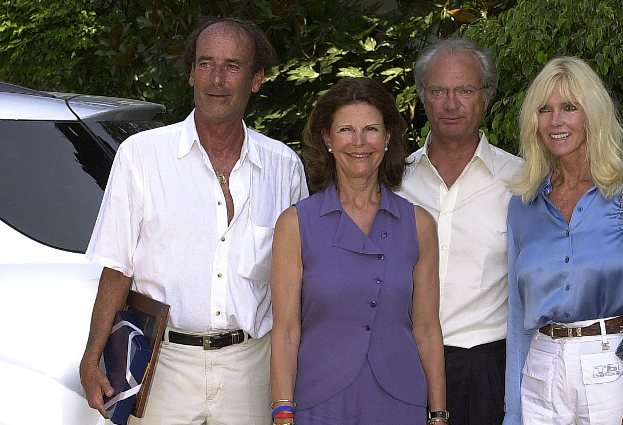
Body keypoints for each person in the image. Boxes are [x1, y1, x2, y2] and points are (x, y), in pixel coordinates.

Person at [79, 17, 308, 425]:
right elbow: (116, 268)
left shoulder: (283, 166)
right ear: (190, 74)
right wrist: (92, 356)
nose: (217, 78)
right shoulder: (141, 156)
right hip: (161, 366)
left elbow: (295, 285)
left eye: (233, 65)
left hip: (251, 367)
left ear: (256, 79)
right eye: (206, 63)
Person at [503, 56, 623, 425]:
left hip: (613, 370)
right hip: (540, 373)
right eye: (544, 110)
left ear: (592, 114)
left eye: (569, 108)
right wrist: (512, 411)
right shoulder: (523, 204)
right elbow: (518, 316)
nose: (555, 121)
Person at [270, 77, 447, 425]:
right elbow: (286, 330)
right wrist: (282, 410)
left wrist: (438, 414)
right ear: (327, 139)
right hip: (318, 403)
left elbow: (427, 328)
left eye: (371, 129)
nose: (359, 142)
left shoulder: (419, 224)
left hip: (400, 402)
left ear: (387, 137)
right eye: (346, 130)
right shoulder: (295, 224)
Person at [397, 38, 523, 424]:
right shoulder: (393, 182)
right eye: (438, 91)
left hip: (484, 368)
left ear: (486, 97)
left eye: (465, 90)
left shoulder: (520, 181)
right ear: (422, 97)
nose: (451, 104)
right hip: (402, 363)